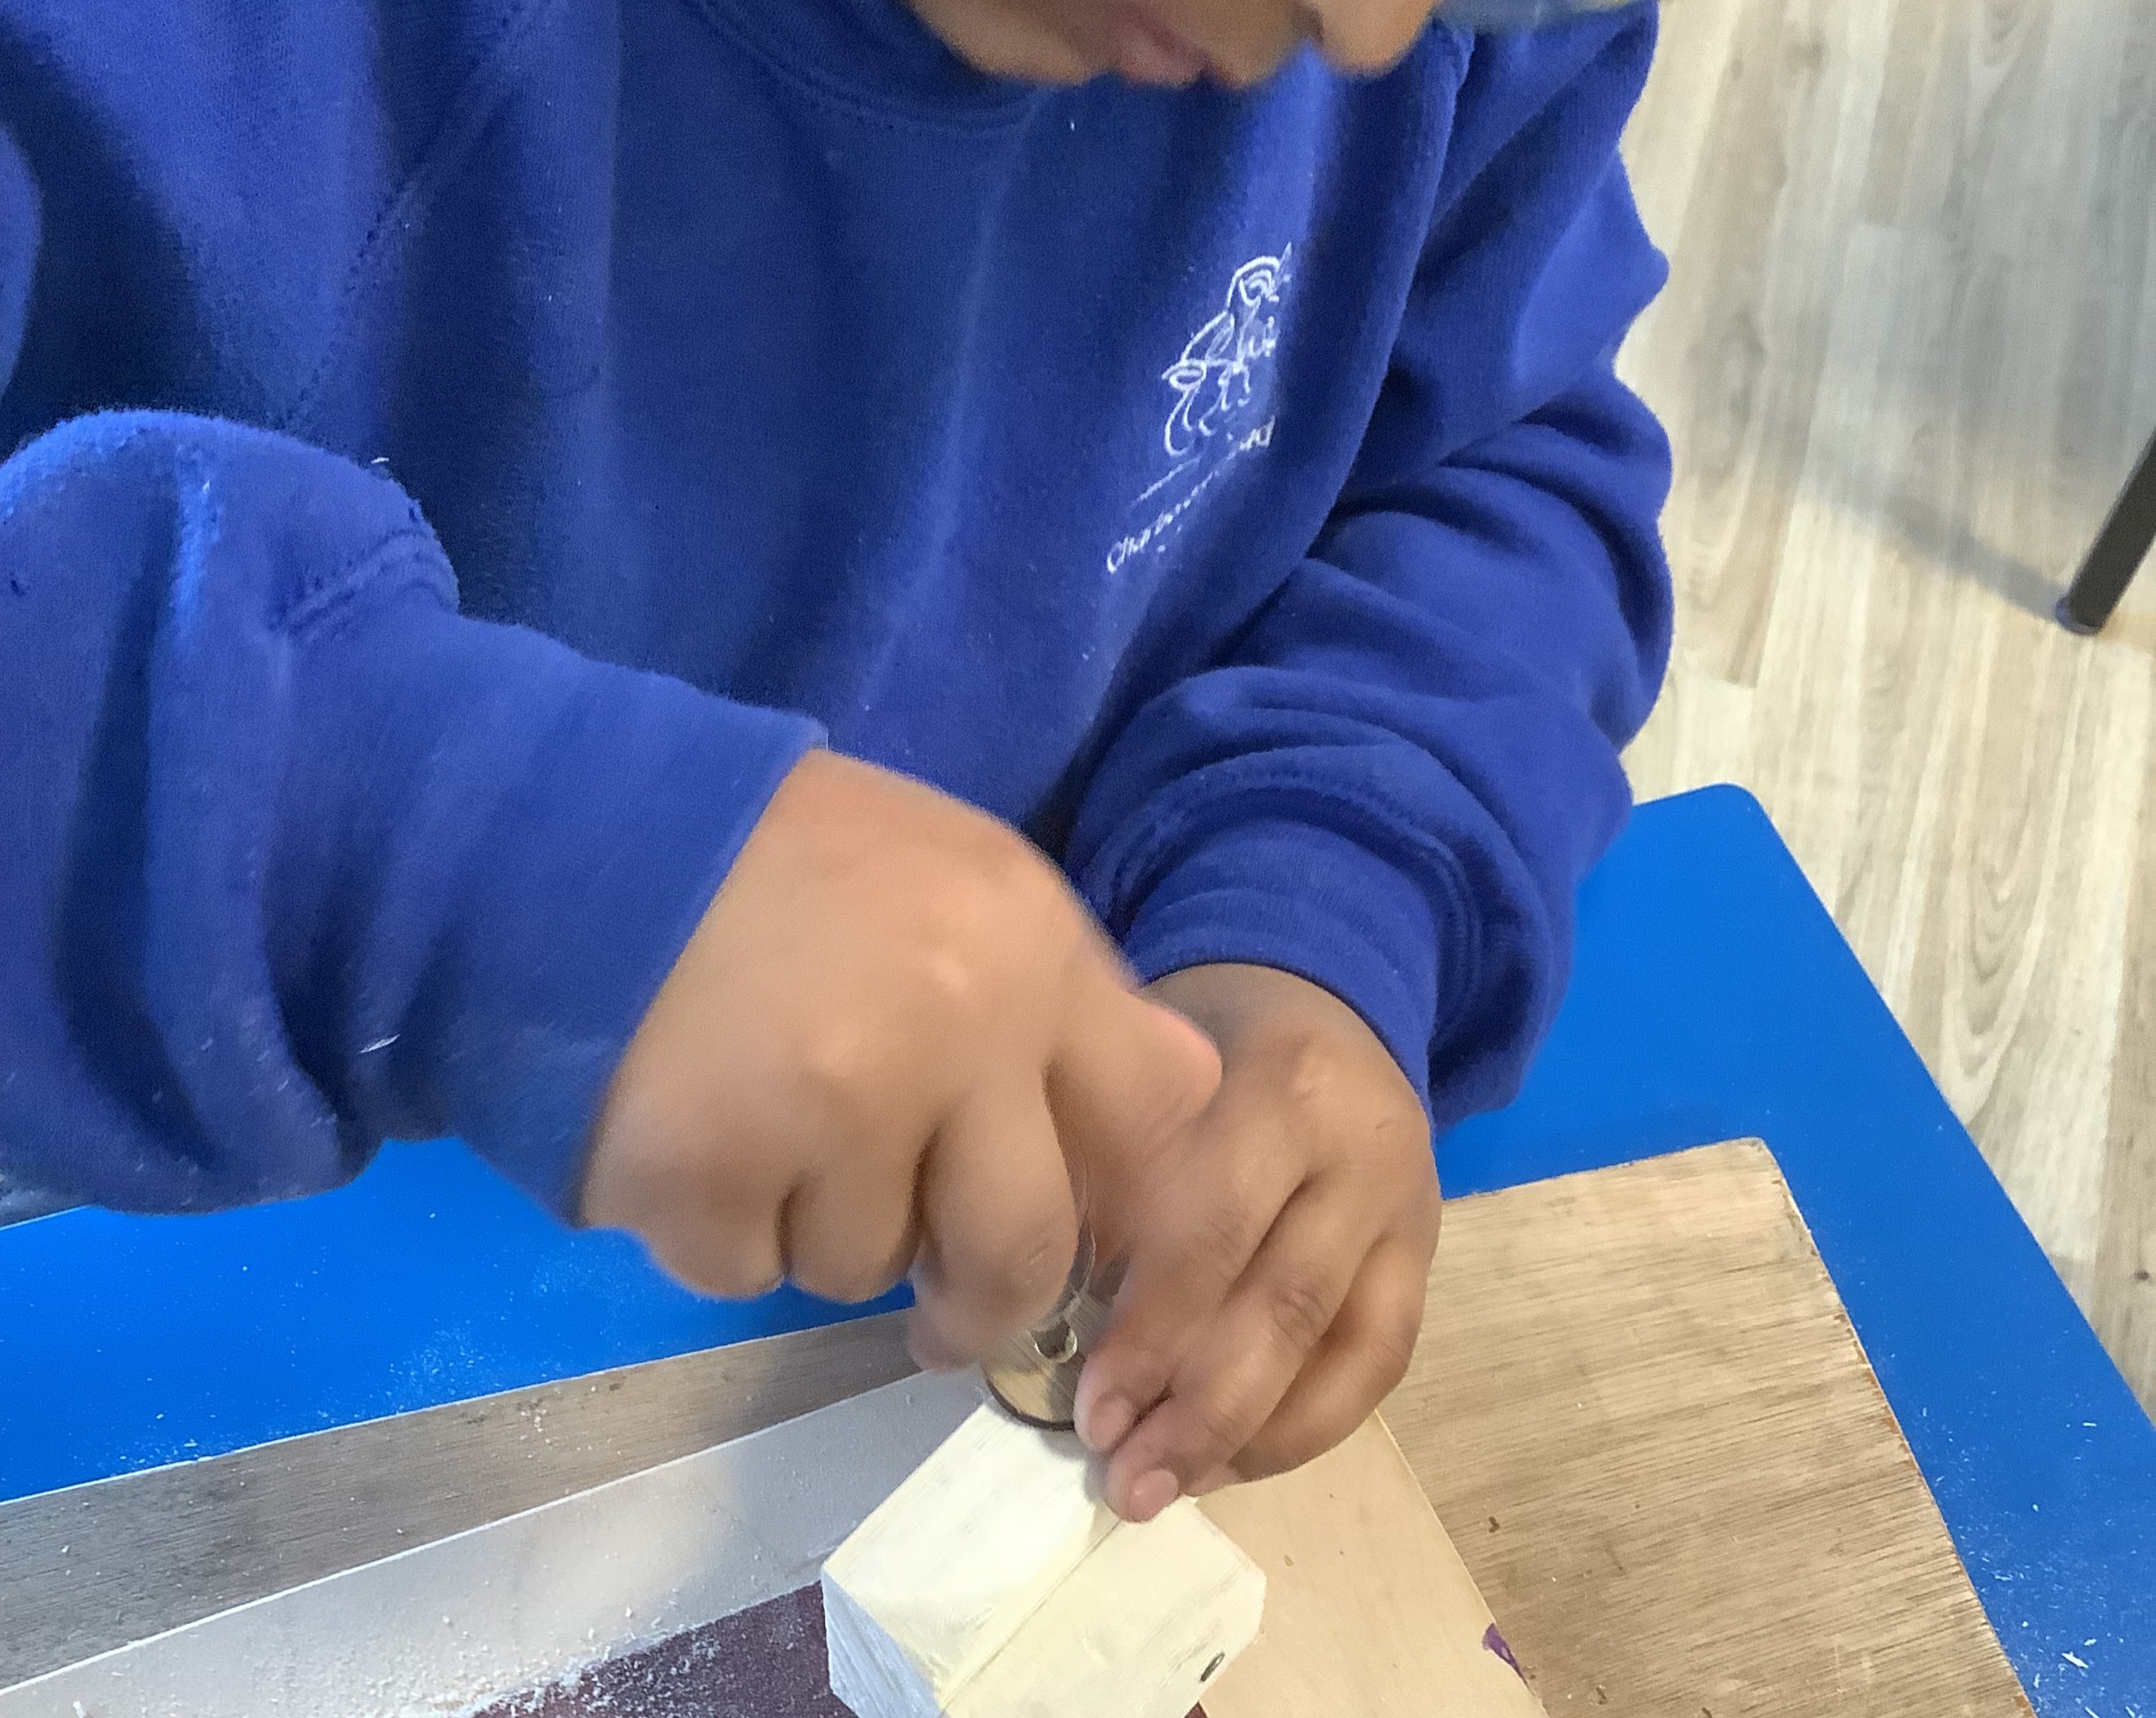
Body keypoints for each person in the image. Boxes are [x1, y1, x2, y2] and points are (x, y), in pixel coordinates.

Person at [0, 0, 1671, 1519]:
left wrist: (1328, 883)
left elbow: (1490, 453)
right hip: (184, 1225)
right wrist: (459, 856)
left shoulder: (1434, 45)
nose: (1365, 34)